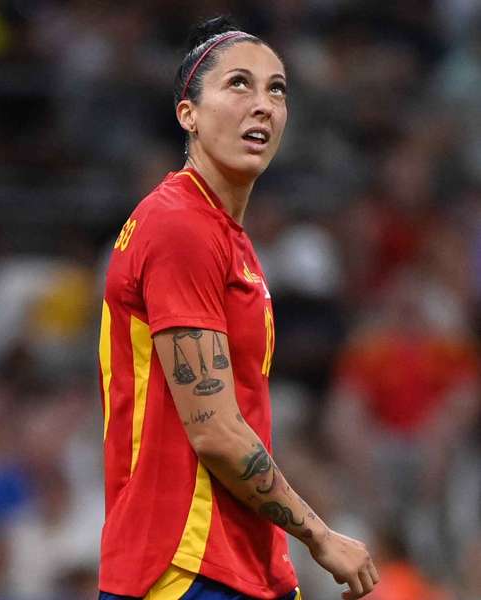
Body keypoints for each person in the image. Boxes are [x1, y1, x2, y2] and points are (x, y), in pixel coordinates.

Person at [97, 16, 379, 600]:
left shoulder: (225, 235)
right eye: (239, 84)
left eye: (277, 89)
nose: (264, 104)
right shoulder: (180, 225)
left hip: (239, 563)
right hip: (183, 565)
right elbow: (217, 430)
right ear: (188, 114)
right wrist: (319, 535)